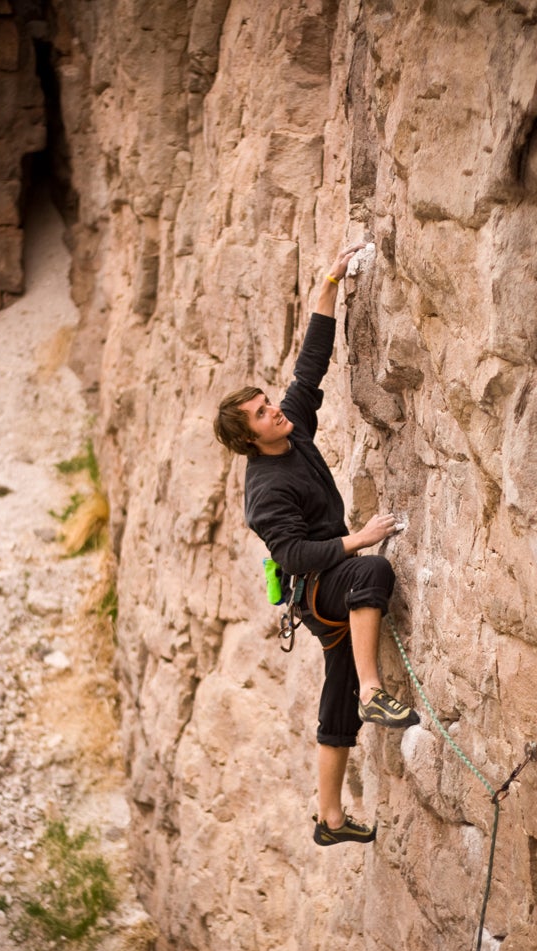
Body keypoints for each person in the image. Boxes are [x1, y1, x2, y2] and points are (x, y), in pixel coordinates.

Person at [213, 243, 419, 846]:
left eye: (267, 404)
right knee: (371, 576)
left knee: (337, 696)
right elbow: (294, 556)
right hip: (318, 587)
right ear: (249, 440)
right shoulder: (265, 491)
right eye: (261, 413)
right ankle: (377, 693)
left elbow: (310, 367)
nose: (273, 410)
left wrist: (328, 283)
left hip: (321, 587)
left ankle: (329, 819)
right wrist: (361, 540)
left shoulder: (292, 428)